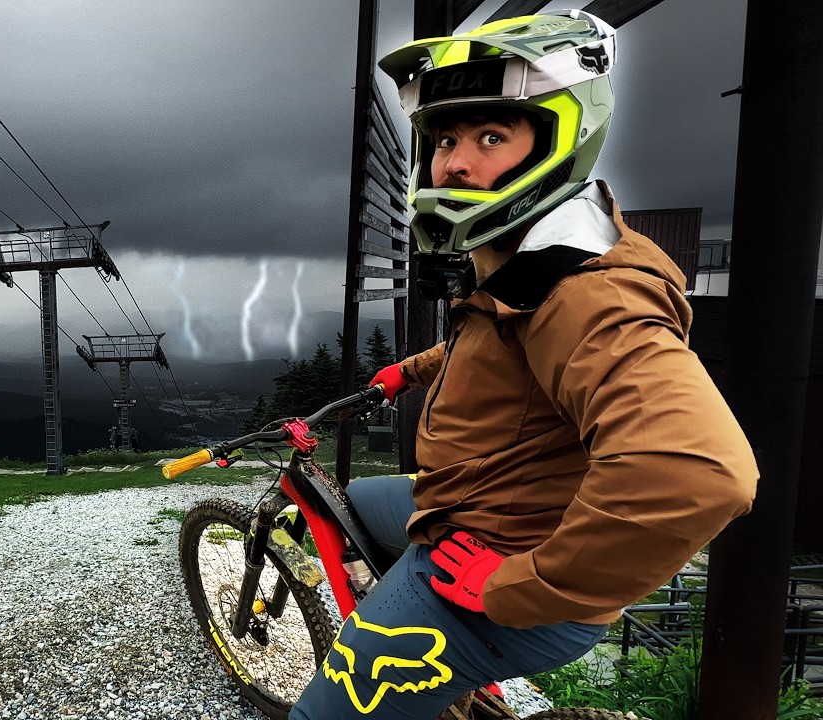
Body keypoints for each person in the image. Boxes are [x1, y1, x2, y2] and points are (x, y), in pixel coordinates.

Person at [289, 11, 757, 720]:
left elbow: (700, 472)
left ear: (560, 136)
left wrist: (516, 585)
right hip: (475, 505)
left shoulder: (584, 292)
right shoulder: (529, 262)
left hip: (503, 567)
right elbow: (498, 347)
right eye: (444, 139)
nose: (453, 163)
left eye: (490, 136)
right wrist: (406, 372)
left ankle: (424, 644)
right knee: (351, 501)